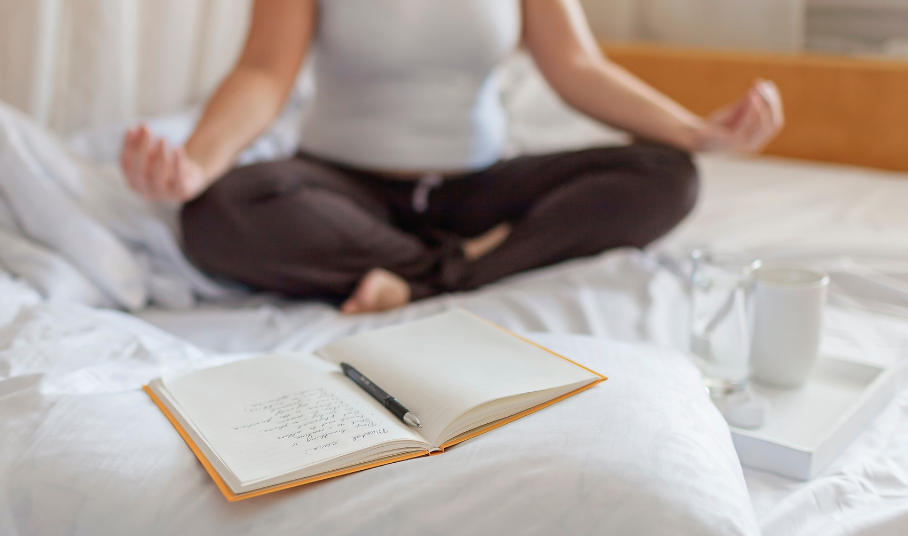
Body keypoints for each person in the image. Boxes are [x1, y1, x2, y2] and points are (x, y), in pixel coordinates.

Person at [120, 0, 783, 314]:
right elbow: (265, 72)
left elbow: (576, 65)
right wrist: (199, 162)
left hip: (475, 189)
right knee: (218, 210)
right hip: (343, 188)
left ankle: (422, 278)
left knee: (664, 175)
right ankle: (464, 267)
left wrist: (693, 132)